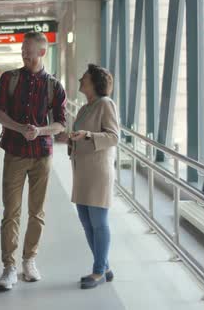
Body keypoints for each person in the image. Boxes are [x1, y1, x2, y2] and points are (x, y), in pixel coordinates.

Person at [0, 32, 66, 291]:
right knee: (10, 212)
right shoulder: (9, 79)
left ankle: (29, 260)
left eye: (29, 51)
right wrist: (18, 128)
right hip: (14, 153)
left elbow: (61, 124)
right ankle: (9, 267)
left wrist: (40, 131)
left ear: (42, 52)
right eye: (23, 50)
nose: (24, 54)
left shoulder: (54, 86)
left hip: (42, 156)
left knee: (37, 212)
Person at [69, 64, 118, 289]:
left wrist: (87, 135)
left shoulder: (106, 105)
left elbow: (113, 137)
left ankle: (98, 271)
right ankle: (104, 266)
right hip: (82, 172)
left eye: (84, 78)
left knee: (98, 222)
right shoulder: (85, 107)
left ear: (94, 83)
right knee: (86, 222)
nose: (80, 79)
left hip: (98, 171)